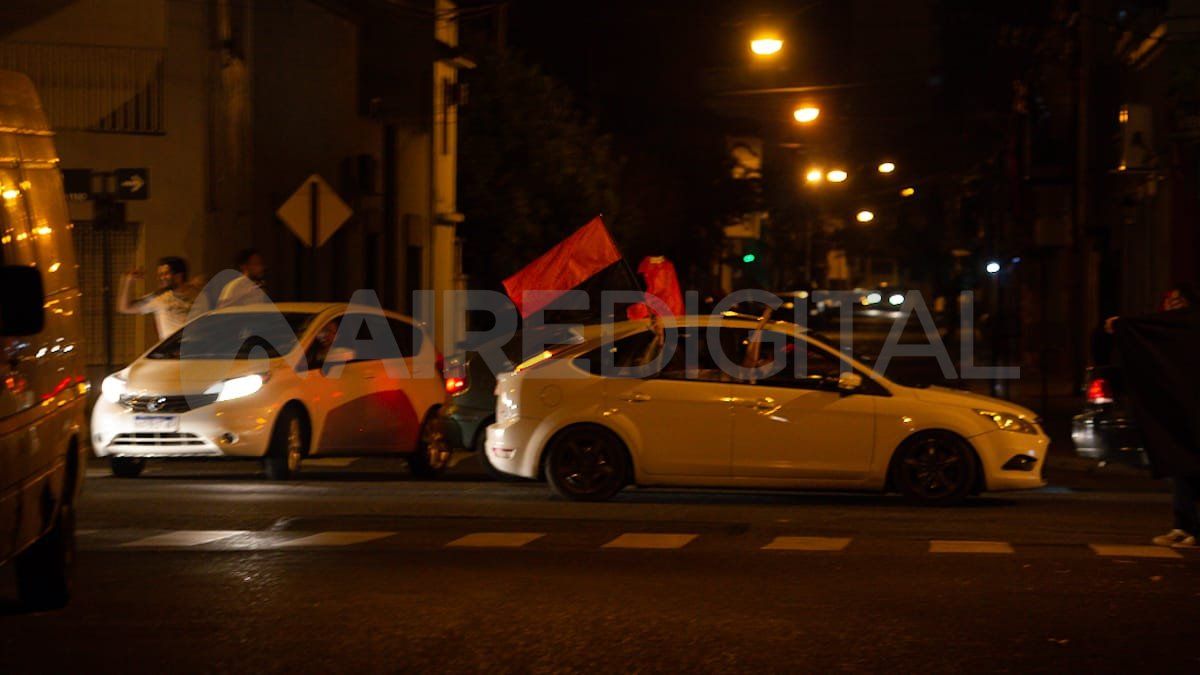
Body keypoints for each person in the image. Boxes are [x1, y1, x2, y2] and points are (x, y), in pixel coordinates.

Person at [1107, 281, 1200, 548]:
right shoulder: (1170, 331)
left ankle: (1192, 528)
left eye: (1178, 300)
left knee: (1190, 468)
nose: (1172, 305)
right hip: (1181, 411)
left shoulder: (1188, 328)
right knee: (1181, 469)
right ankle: (1183, 525)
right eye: (1169, 301)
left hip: (1191, 410)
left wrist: (1126, 326)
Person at [116, 256, 200, 340]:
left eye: (165, 274)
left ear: (178, 276)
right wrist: (128, 281)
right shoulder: (159, 298)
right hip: (171, 351)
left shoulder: (198, 294)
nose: (161, 278)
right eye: (159, 275)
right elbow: (125, 308)